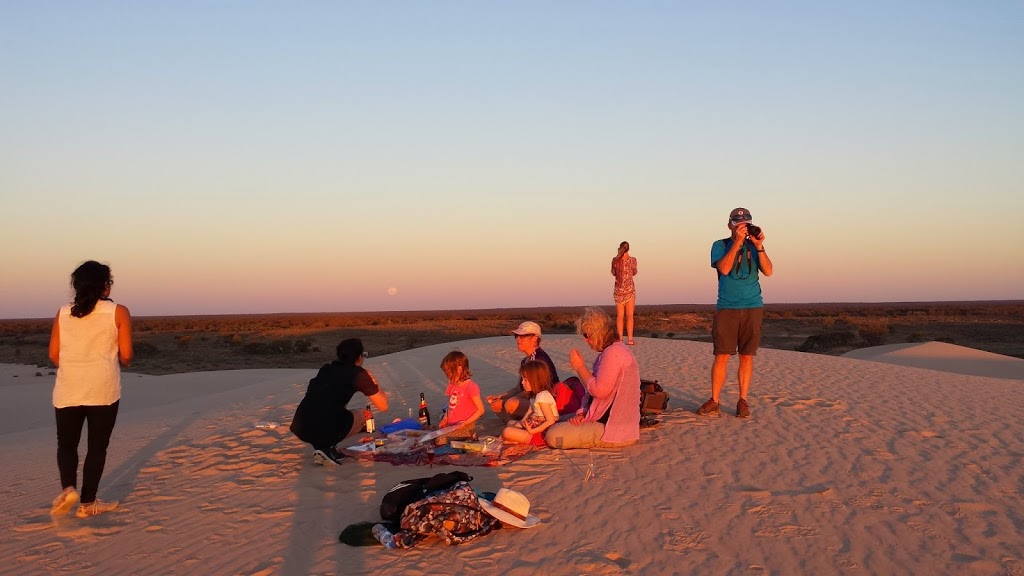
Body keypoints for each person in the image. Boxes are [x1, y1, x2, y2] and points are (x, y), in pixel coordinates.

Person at [48, 260, 133, 518]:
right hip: (103, 389)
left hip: (68, 388)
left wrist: (76, 367)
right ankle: (87, 504)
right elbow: (127, 355)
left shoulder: (63, 312)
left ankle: (68, 489)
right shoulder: (118, 312)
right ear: (104, 286)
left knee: (67, 444)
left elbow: (53, 354)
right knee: (97, 447)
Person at [696, 207, 774, 419]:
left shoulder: (754, 246)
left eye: (745, 223)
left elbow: (768, 271)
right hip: (727, 308)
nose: (741, 226)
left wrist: (759, 246)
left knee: (747, 356)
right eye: (737, 223)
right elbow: (724, 268)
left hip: (752, 306)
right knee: (721, 355)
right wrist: (738, 243)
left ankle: (743, 400)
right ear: (729, 224)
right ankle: (715, 400)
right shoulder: (720, 245)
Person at [544, 307, 640, 450]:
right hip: (607, 420)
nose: (586, 340)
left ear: (598, 333)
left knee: (553, 434)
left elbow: (599, 391)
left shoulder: (614, 353)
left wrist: (579, 367)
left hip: (614, 430)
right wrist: (582, 413)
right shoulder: (613, 350)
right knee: (555, 419)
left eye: (587, 335)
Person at [290, 338, 389, 465]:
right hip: (322, 428)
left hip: (301, 426)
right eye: (364, 355)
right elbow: (383, 406)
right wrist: (374, 383)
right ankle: (327, 448)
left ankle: (325, 446)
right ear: (359, 357)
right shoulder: (358, 373)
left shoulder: (326, 369)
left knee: (332, 412)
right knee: (364, 415)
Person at [486, 321, 560, 422]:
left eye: (522, 336)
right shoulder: (526, 360)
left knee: (510, 404)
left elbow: (531, 390)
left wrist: (504, 402)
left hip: (545, 404)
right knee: (497, 406)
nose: (518, 339)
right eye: (516, 336)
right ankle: (518, 424)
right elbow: (518, 388)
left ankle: (520, 426)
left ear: (535, 338)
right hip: (532, 400)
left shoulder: (538, 359)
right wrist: (499, 397)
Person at [501, 361, 559, 446]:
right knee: (510, 423)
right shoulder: (534, 395)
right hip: (535, 426)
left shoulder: (542, 396)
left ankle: (526, 441)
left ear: (536, 380)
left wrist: (532, 431)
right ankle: (516, 439)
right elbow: (526, 416)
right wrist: (520, 424)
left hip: (543, 433)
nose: (522, 383)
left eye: (525, 380)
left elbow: (550, 421)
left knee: (507, 431)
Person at [437, 350, 485, 440]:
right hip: (452, 425)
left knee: (440, 440)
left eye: (449, 373)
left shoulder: (471, 387)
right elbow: (450, 408)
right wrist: (445, 419)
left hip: (465, 426)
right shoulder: (452, 385)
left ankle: (470, 437)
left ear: (459, 369)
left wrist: (465, 423)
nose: (448, 377)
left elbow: (481, 410)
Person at [612, 241, 638, 345]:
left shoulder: (615, 260)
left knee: (620, 316)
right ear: (628, 249)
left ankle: (620, 339)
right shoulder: (633, 260)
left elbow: (613, 273)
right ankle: (630, 340)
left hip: (618, 290)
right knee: (630, 315)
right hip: (629, 290)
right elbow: (634, 272)